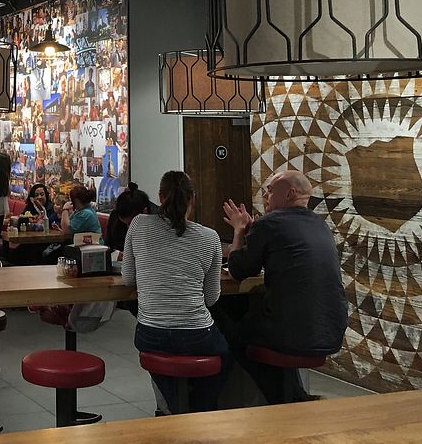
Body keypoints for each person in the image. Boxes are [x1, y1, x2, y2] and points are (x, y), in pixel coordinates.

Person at [221, 170, 348, 404]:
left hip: (293, 333)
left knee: (230, 331)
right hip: (332, 329)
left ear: (290, 194)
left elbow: (238, 270)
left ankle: (282, 401)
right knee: (272, 325)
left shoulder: (269, 223)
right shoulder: (320, 224)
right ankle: (296, 396)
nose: (265, 196)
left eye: (270, 190)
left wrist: (239, 230)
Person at [122, 171, 229, 413]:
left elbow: (128, 279)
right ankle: (199, 411)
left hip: (150, 333)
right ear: (193, 198)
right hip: (197, 334)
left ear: (160, 197)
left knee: (165, 371)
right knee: (226, 357)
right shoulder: (210, 237)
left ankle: (174, 410)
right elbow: (211, 298)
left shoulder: (138, 224)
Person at [104, 183, 154, 254]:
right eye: (125, 223)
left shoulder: (157, 221)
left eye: (130, 223)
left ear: (144, 212)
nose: (128, 228)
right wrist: (116, 254)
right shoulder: (115, 216)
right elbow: (107, 247)